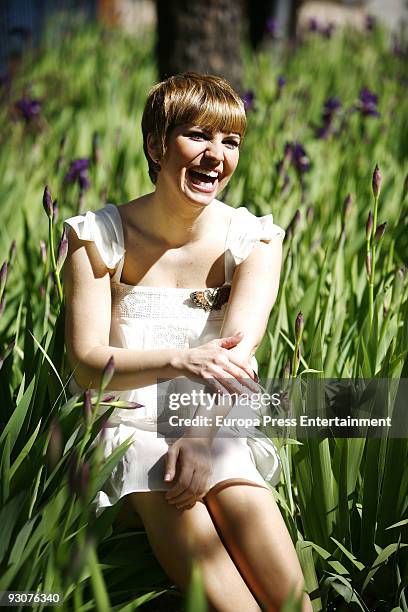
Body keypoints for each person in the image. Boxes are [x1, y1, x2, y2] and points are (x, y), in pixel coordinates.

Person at [63, 72, 312, 611]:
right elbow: (86, 364)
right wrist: (182, 359)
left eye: (231, 142)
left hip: (212, 421)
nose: (216, 155)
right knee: (165, 476)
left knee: (290, 597)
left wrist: (199, 436)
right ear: (157, 144)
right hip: (127, 428)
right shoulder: (96, 237)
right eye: (199, 135)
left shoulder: (255, 241)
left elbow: (236, 354)